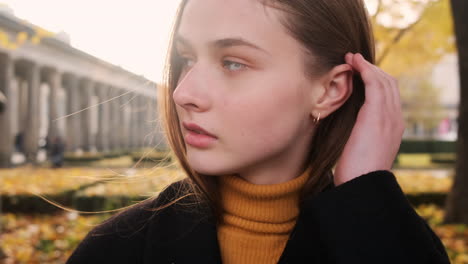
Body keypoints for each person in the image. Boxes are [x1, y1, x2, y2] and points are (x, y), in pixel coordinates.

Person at [67, 0, 450, 263]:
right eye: (186, 59)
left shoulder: (391, 242)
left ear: (330, 90)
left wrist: (366, 192)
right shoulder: (115, 250)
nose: (183, 93)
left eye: (233, 63)